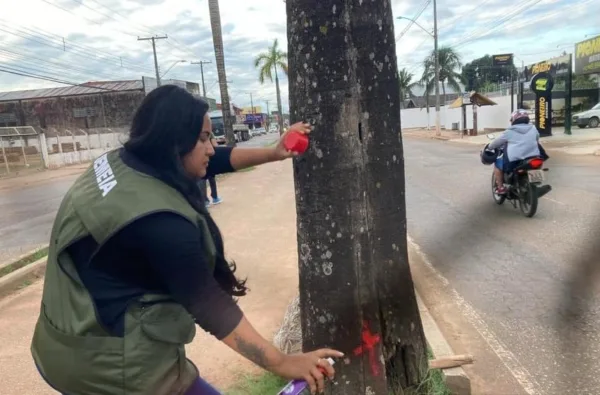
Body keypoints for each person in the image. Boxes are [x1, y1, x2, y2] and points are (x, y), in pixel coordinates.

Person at [30, 85, 343, 395]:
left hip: (64, 342)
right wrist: (282, 362)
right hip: (112, 367)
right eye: (204, 138)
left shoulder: (123, 163)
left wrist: (274, 152)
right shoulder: (161, 223)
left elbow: (211, 159)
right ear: (174, 143)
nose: (211, 147)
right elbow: (208, 304)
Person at [488, 109, 541, 194]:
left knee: (497, 164)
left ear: (514, 120)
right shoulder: (533, 128)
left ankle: (501, 188)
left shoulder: (509, 131)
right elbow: (537, 139)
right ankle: (535, 183)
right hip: (534, 157)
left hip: (514, 161)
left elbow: (495, 143)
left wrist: (490, 147)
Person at [197, 133, 222, 208]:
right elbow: (215, 145)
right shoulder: (209, 133)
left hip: (199, 156)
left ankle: (205, 201)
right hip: (209, 157)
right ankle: (214, 197)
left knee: (202, 179)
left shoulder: (194, 130)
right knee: (211, 177)